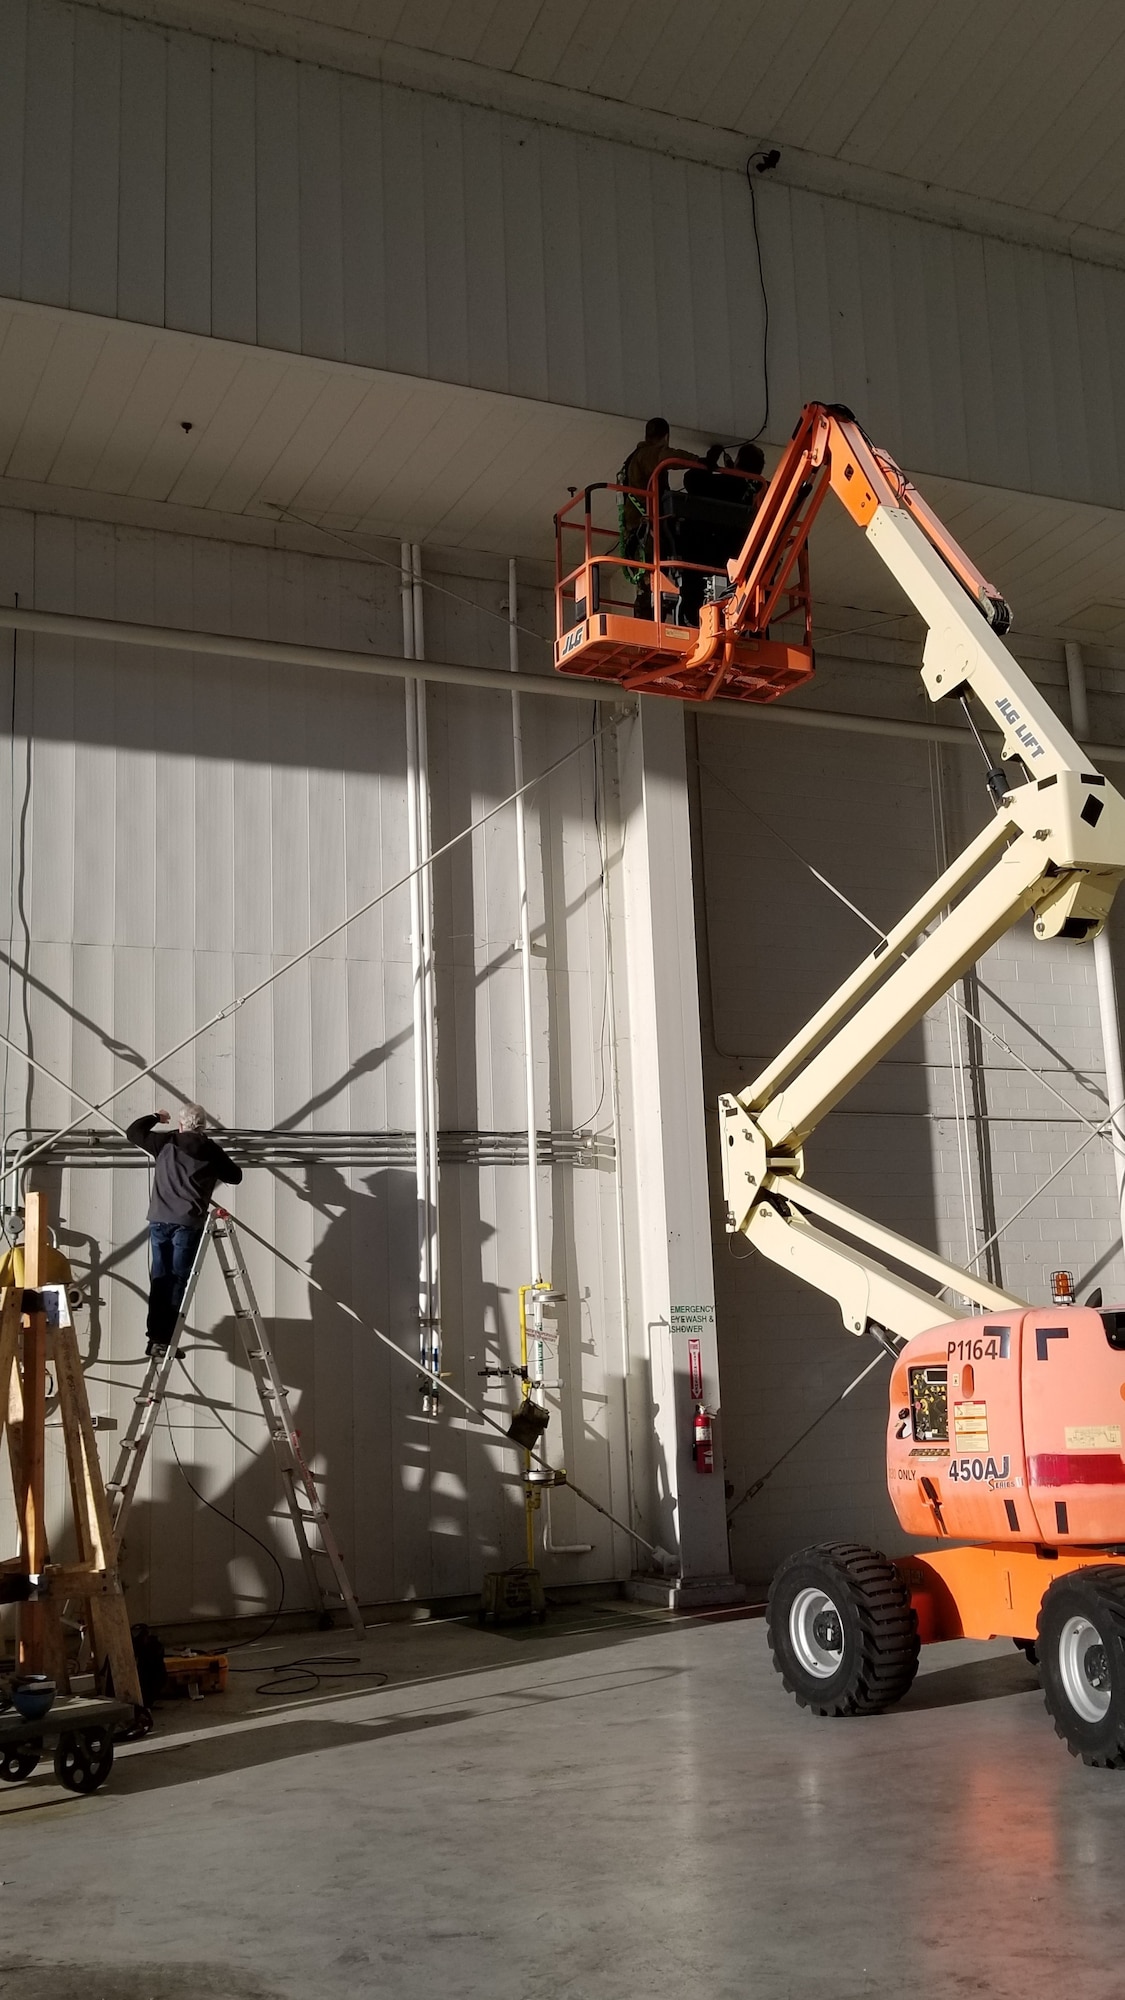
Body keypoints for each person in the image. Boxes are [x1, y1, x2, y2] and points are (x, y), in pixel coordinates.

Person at [126, 1104, 242, 1355]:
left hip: (160, 1219)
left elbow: (133, 1132)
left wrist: (156, 1117)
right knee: (178, 1279)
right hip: (188, 1223)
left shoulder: (164, 1142)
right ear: (203, 1127)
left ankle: (155, 1338)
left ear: (180, 1125)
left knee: (160, 1278)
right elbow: (235, 1176)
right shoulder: (211, 1151)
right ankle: (166, 1340)